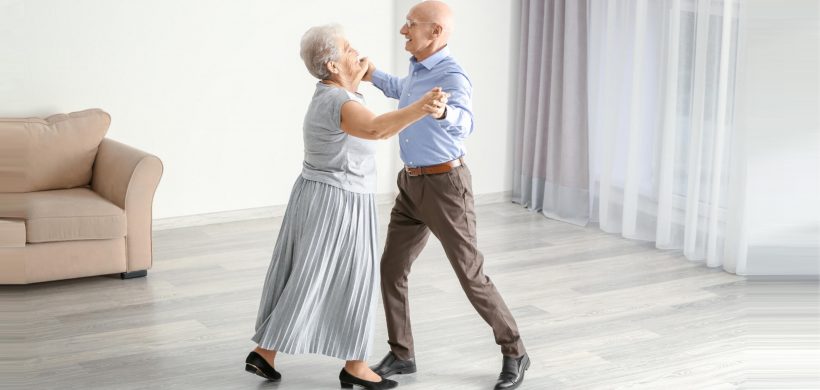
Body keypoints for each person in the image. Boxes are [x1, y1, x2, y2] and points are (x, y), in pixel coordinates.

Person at [245, 24, 448, 390]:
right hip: (340, 202)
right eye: (348, 49)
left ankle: (266, 352)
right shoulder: (340, 102)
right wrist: (421, 108)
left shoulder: (331, 94)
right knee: (354, 280)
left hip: (319, 195)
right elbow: (376, 130)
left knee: (306, 276)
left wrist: (372, 79)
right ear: (333, 66)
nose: (357, 52)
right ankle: (354, 366)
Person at [363, 1, 530, 389]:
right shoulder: (418, 69)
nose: (404, 31)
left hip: (445, 187)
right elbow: (404, 92)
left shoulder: (453, 76)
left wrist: (443, 114)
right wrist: (373, 76)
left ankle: (515, 351)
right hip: (411, 185)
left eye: (411, 25)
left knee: (470, 275)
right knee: (391, 268)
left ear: (434, 32)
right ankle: (402, 354)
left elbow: (465, 123)